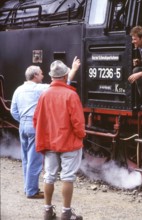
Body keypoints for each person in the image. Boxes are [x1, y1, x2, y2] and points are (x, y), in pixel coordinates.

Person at [10, 58, 80, 199]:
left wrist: (23, 121)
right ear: (35, 76)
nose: (43, 76)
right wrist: (73, 69)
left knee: (26, 159)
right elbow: (61, 84)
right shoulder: (40, 88)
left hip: (22, 125)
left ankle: (27, 187)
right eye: (41, 74)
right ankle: (31, 191)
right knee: (35, 160)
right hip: (34, 125)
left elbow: (13, 111)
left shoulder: (19, 89)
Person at [33, 60, 86, 220]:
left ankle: (47, 211)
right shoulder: (71, 95)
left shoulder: (44, 95)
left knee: (49, 176)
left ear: (51, 77)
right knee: (68, 177)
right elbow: (78, 122)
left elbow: (36, 120)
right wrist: (81, 134)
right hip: (68, 143)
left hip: (49, 143)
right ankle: (66, 213)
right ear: (65, 76)